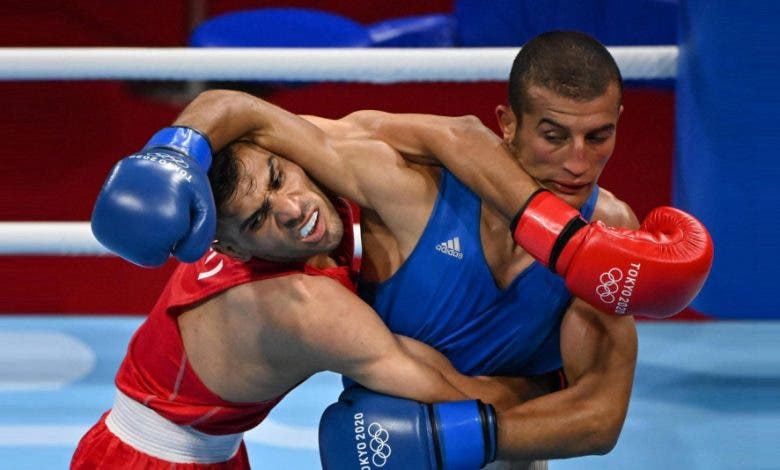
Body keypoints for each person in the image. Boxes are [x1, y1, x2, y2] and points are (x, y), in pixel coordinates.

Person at [88, 31, 712, 468]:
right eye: (554, 135)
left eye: (599, 136)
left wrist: (457, 440)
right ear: (508, 124)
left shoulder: (614, 247)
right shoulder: (404, 185)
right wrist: (179, 148)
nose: (578, 161)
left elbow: (600, 418)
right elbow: (236, 108)